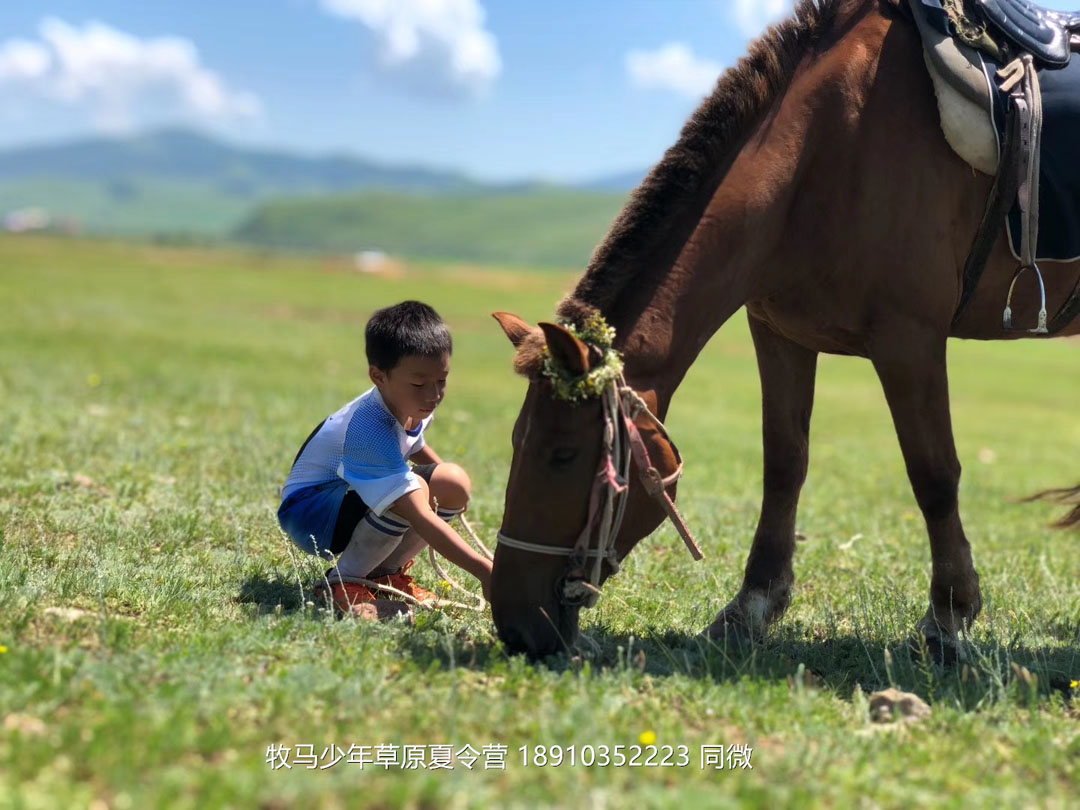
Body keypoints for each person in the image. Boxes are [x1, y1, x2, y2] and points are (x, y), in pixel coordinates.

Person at [277, 300, 491, 619]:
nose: (433, 395)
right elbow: (416, 510)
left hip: (345, 501)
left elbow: (414, 443)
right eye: (419, 383)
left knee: (452, 481)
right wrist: (487, 572)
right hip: (310, 514)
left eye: (442, 381)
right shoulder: (369, 427)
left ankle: (382, 576)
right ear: (379, 376)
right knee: (412, 489)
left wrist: (447, 488)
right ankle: (343, 583)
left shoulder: (410, 402)